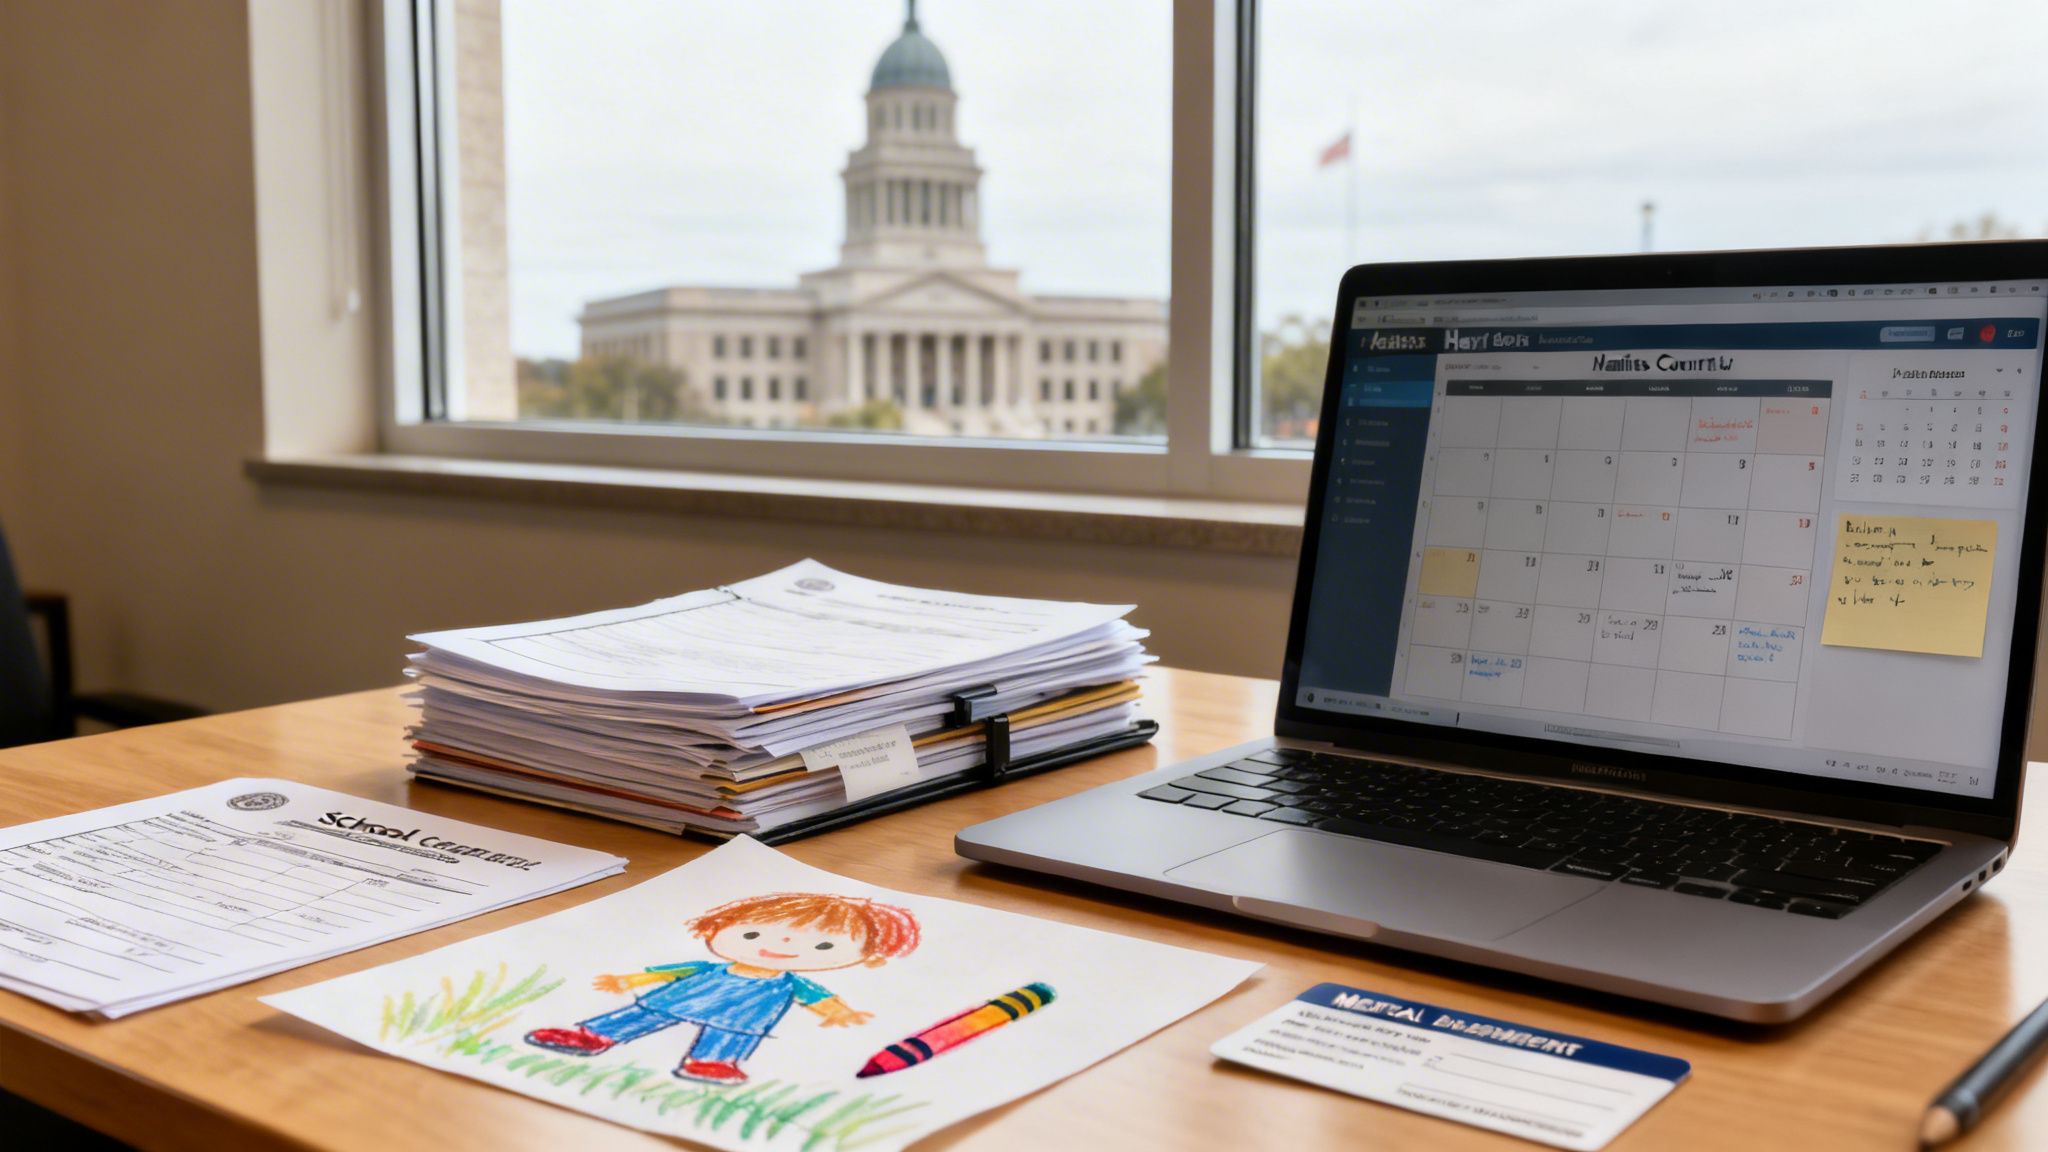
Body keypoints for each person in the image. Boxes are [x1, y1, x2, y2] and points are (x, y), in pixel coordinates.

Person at [524, 891, 921, 1083]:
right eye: (753, 934)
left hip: (741, 1018)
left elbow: (819, 999)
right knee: (639, 1014)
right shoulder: (702, 966)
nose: (780, 946)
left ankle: (711, 1063)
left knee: (728, 1036)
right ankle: (592, 1036)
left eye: (821, 945)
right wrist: (628, 980)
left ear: (866, 957)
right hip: (677, 998)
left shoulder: (794, 982)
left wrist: (841, 1013)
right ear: (716, 929)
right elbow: (667, 973)